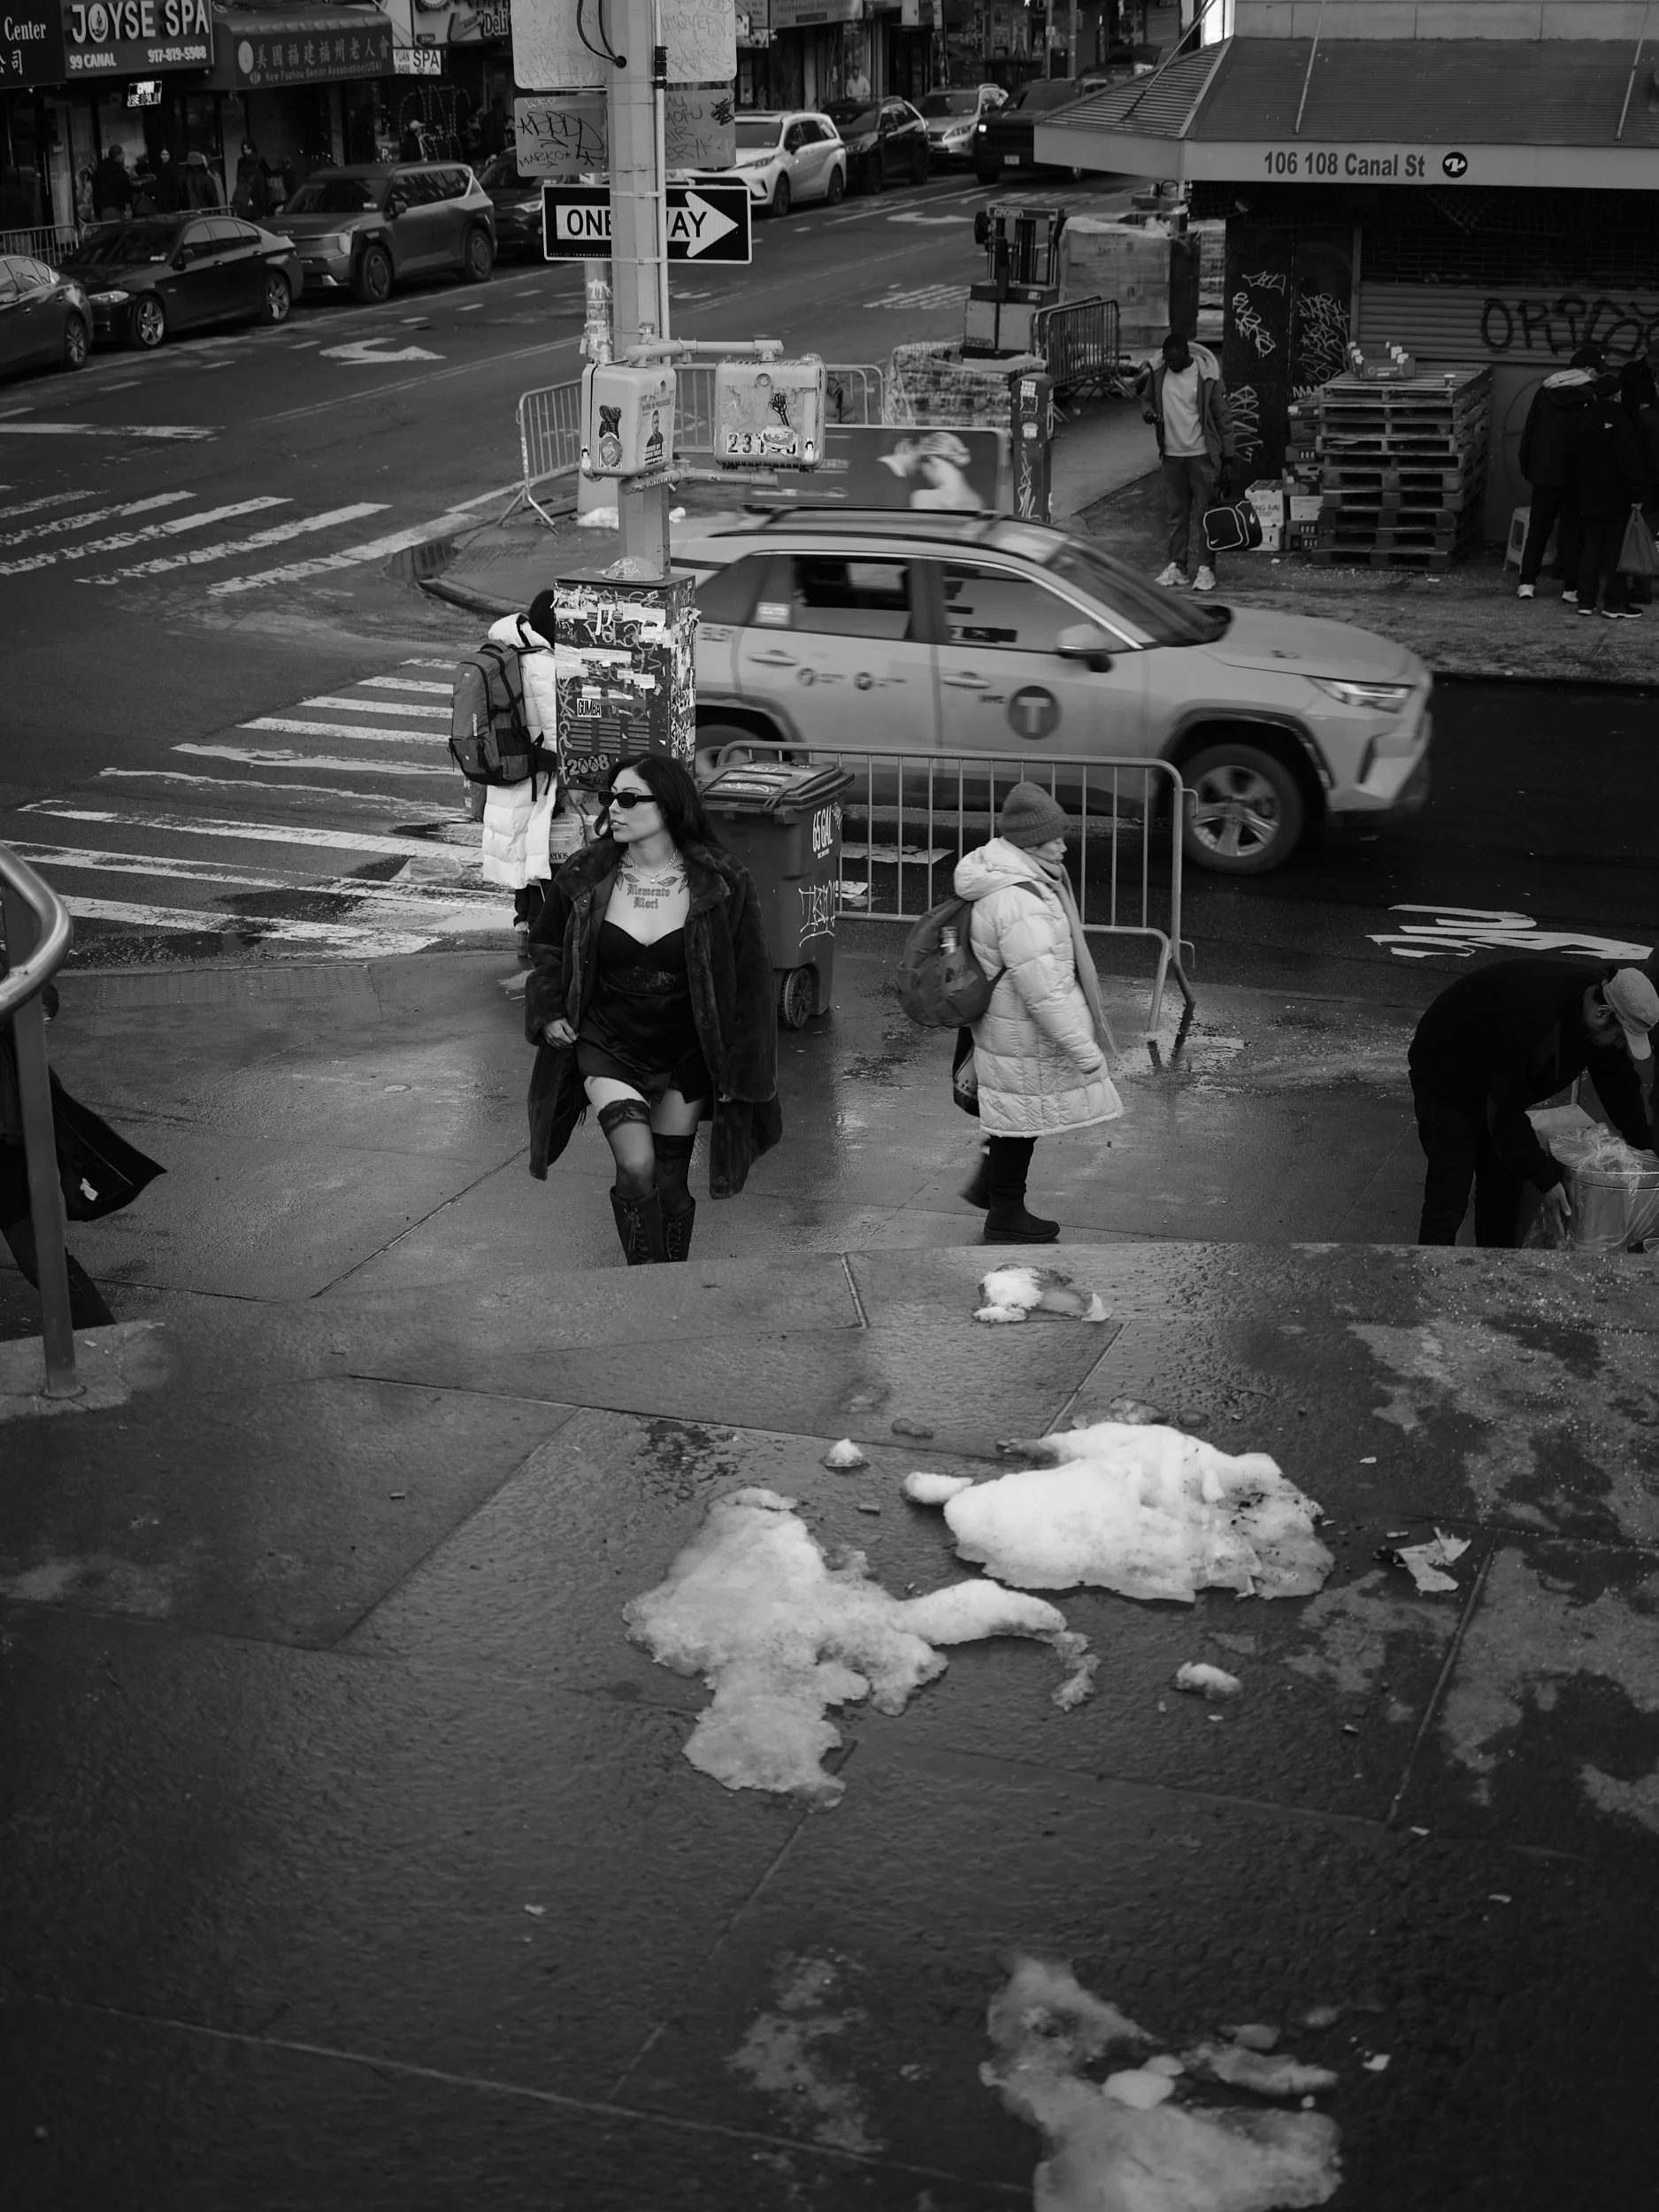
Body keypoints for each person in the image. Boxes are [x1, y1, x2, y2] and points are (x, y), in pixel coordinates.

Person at [524, 753, 780, 1265]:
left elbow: (750, 982)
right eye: (608, 798)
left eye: (627, 799)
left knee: (670, 1181)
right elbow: (548, 947)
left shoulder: (721, 881)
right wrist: (549, 1009)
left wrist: (745, 1069)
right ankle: (646, 1285)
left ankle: (671, 1283)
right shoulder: (586, 872)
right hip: (606, 1043)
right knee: (636, 1164)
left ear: (667, 806)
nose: (612, 810)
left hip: (684, 1052)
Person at [953, 783, 1123, 1245]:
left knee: (1017, 1119)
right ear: (1030, 842)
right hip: (1021, 1030)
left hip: (1009, 1026)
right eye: (1055, 838)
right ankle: (1005, 1212)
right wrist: (1083, 1049)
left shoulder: (1015, 879)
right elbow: (1043, 991)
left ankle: (994, 1193)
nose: (1064, 845)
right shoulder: (1020, 900)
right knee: (1018, 1122)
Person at [1408, 960, 1657, 1247]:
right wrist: (1546, 1180)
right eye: (1621, 1037)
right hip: (1447, 1075)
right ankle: (1425, 1279)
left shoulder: (1599, 1003)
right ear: (1602, 1014)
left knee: (1503, 1186)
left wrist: (1645, 1145)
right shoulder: (1537, 1017)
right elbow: (1504, 1110)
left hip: (1496, 1076)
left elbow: (1617, 1081)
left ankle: (1493, 1274)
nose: (1619, 1045)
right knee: (1450, 1191)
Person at [1138, 330, 1234, 595]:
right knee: (1176, 516)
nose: (1173, 366)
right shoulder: (1159, 373)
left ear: (1187, 355)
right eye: (1168, 361)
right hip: (1171, 457)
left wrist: (1228, 459)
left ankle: (1206, 569)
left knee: (1206, 515)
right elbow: (1146, 399)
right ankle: (1177, 567)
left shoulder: (1207, 378)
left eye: (1177, 361)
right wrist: (1148, 413)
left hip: (1201, 456)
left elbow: (1224, 420)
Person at [1563, 371, 1650, 620]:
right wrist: (1637, 494)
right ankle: (1614, 603)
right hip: (1615, 498)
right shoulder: (1620, 421)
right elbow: (1628, 462)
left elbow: (1571, 461)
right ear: (1618, 395)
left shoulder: (1581, 419)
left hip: (1586, 497)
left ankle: (1586, 601)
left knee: (1590, 547)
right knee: (1615, 551)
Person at [1515, 350, 1600, 601]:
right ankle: (1570, 588)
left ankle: (1526, 583)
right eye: (1596, 370)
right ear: (1586, 370)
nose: (1597, 375)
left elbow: (1530, 431)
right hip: (1575, 477)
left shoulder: (1544, 391)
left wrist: (1527, 467)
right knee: (1572, 532)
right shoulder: (1590, 397)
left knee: (1538, 529)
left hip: (1544, 474)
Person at [92, 148, 131, 223]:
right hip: (118, 207)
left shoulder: (100, 171)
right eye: (122, 154)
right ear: (118, 156)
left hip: (104, 208)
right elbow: (125, 190)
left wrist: (97, 212)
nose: (124, 157)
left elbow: (96, 192)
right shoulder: (119, 172)